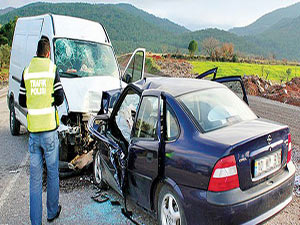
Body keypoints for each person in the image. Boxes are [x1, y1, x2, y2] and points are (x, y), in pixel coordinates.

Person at [19, 37, 64, 225]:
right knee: (52, 172)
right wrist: (50, 101)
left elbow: (22, 101)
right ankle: (52, 212)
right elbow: (60, 98)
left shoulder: (27, 72)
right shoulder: (52, 70)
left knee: (35, 180)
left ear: (37, 52)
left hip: (34, 133)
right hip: (49, 133)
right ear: (47, 53)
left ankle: (35, 221)